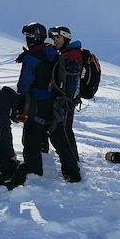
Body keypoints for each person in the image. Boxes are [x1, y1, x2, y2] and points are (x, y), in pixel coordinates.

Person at [16, 22, 81, 181]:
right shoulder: (53, 52)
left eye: (29, 36)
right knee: (60, 141)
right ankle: (73, 174)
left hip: (37, 105)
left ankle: (34, 173)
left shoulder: (31, 58)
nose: (27, 39)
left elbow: (23, 86)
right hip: (56, 105)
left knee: (31, 141)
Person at [50, 25, 83, 160]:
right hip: (63, 99)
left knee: (65, 129)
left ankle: (73, 160)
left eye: (58, 37)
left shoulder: (72, 55)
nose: (55, 40)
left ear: (66, 38)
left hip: (66, 100)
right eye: (54, 38)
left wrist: (68, 99)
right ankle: (72, 159)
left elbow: (73, 80)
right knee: (64, 129)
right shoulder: (65, 53)